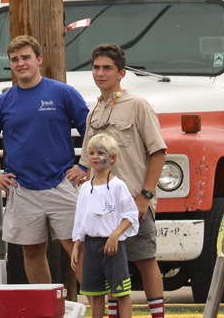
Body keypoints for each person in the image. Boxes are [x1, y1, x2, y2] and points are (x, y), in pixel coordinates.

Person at [0, 34, 89, 283]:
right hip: (22, 189)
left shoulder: (63, 93)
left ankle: (100, 304)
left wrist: (85, 165)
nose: (20, 63)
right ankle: (45, 304)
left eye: (26, 57)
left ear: (39, 60)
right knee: (33, 252)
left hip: (62, 184)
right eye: (14, 59)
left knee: (77, 249)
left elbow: (90, 129)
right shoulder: (2, 102)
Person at [68, 43, 167, 318]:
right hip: (101, 209)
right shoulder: (93, 113)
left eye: (107, 68)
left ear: (121, 73)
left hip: (133, 201)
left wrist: (145, 196)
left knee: (145, 260)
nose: (100, 73)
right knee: (108, 266)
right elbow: (88, 162)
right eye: (96, 68)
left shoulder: (138, 105)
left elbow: (159, 152)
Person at [71, 133, 139, 318]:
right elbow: (81, 219)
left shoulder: (118, 186)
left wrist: (115, 234)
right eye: (92, 153)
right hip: (91, 247)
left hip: (113, 247)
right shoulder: (85, 188)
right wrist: (77, 245)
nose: (95, 157)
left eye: (100, 153)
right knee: (96, 294)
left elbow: (130, 215)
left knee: (121, 292)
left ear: (112, 158)